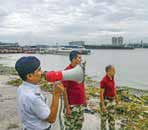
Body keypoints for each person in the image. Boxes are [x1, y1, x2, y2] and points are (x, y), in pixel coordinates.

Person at [15, 56, 64, 130]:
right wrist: (56, 95)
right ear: (29, 76)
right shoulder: (32, 97)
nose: (42, 72)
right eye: (39, 70)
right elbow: (51, 119)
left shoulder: (22, 88)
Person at [62, 51, 86, 130]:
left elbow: (82, 85)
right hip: (72, 105)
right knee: (69, 127)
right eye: (79, 58)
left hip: (80, 104)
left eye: (80, 58)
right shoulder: (67, 72)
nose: (81, 59)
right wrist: (67, 106)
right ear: (73, 59)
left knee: (79, 126)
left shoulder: (80, 70)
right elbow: (64, 90)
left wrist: (84, 99)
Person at [99, 65, 119, 130]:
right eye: (113, 70)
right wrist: (102, 105)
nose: (115, 71)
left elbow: (114, 88)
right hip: (106, 101)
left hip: (112, 101)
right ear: (108, 71)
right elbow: (101, 94)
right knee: (104, 120)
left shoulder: (112, 77)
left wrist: (116, 99)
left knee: (112, 118)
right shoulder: (104, 80)